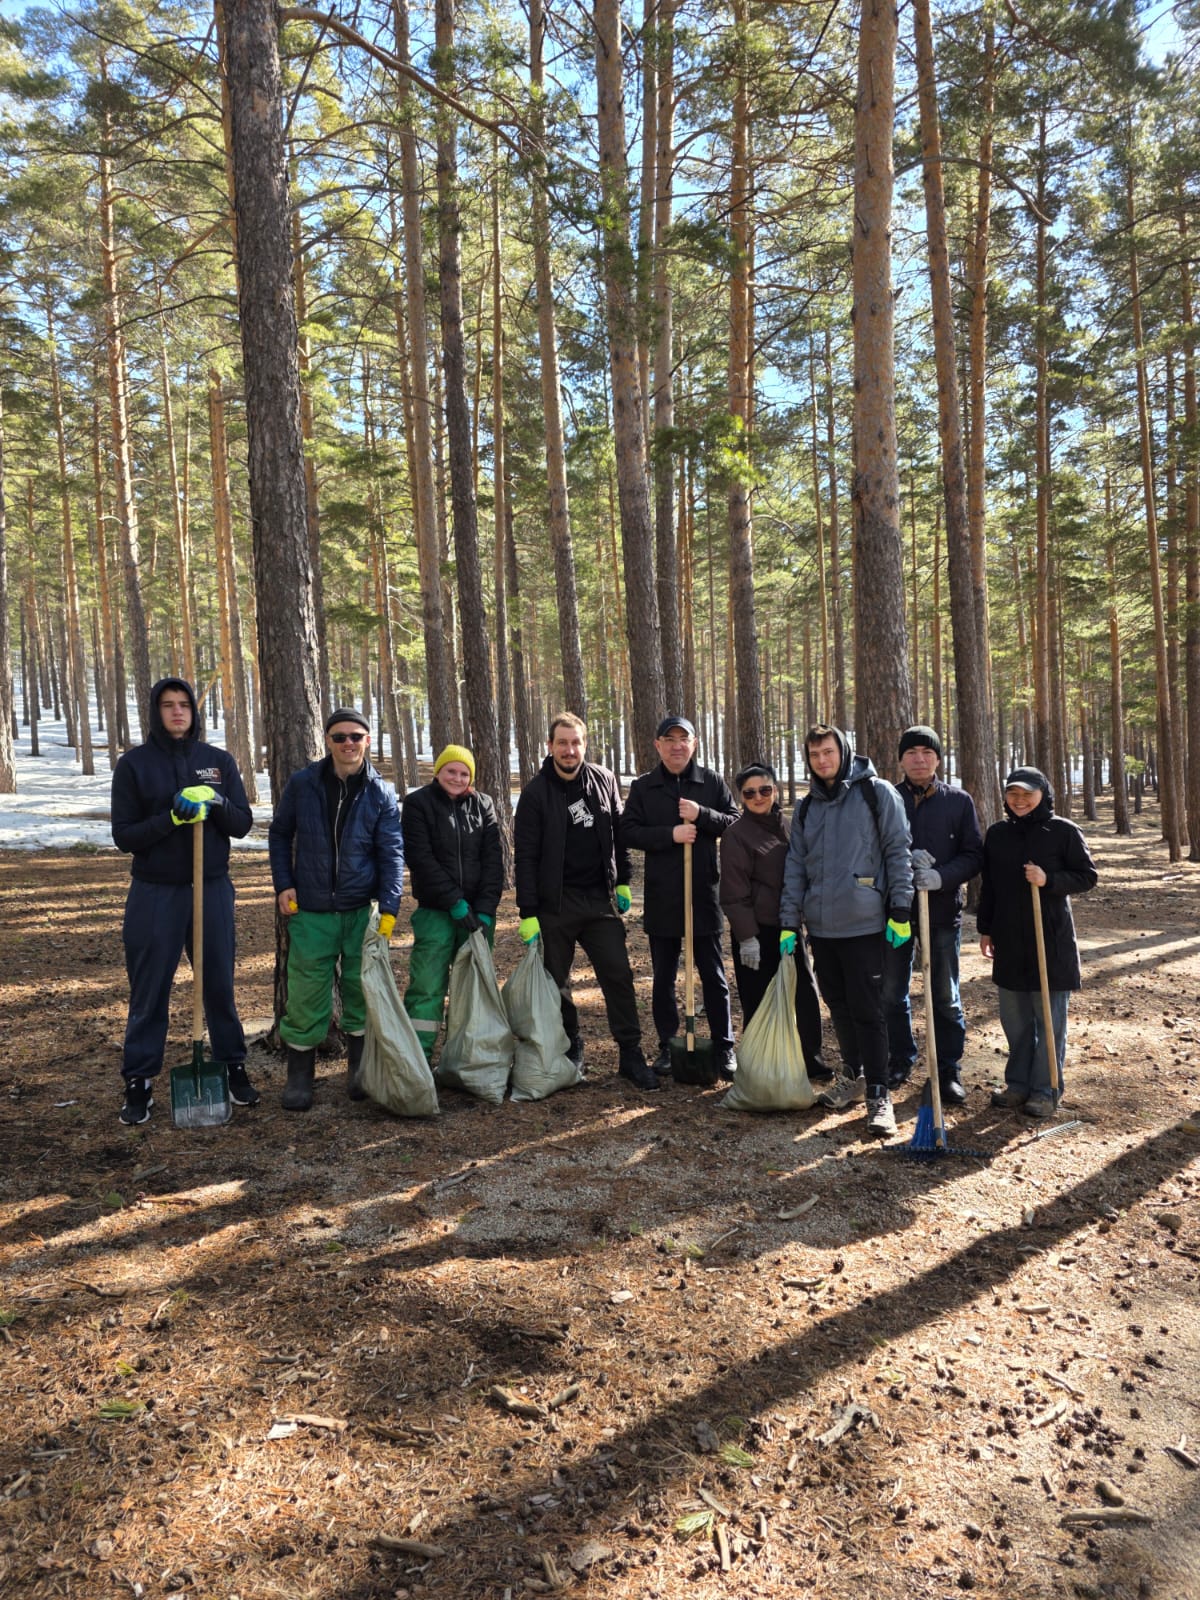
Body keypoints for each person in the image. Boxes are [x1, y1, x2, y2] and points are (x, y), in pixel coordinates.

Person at [110, 676, 257, 1124]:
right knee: (150, 985)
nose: (177, 712)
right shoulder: (134, 765)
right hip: (155, 891)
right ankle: (139, 1078)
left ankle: (232, 1065)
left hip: (210, 887)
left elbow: (242, 824)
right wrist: (171, 819)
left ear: (194, 711)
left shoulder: (217, 761)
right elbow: (125, 835)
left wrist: (217, 802)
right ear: (155, 712)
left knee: (218, 982)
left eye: (184, 705)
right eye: (168, 705)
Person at [779, 724, 913, 1135]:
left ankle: (879, 1095)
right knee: (837, 1004)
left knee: (868, 1011)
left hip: (866, 924)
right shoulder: (807, 807)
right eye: (814, 754)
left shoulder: (876, 793)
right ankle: (853, 1075)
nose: (822, 760)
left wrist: (901, 909)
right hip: (822, 928)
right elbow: (796, 865)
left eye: (828, 752)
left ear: (844, 751)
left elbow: (898, 850)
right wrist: (789, 921)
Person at [268, 708, 404, 1111]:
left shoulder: (381, 792)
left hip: (361, 909)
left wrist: (390, 906)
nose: (348, 743)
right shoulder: (304, 783)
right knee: (305, 993)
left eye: (356, 736)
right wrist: (283, 883)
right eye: (339, 737)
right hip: (310, 910)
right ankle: (299, 1076)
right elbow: (280, 833)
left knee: (361, 990)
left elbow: (391, 852)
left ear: (367, 740)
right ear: (327, 741)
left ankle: (359, 1069)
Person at [513, 712, 657, 1090]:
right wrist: (528, 912)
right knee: (557, 983)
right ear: (550, 746)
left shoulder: (603, 780)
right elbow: (525, 856)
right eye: (562, 743)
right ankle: (570, 1046)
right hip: (554, 904)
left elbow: (619, 835)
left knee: (618, 974)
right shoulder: (534, 794)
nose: (569, 750)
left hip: (598, 900)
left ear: (584, 744)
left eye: (575, 742)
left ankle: (630, 1053)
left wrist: (623, 882)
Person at [977, 766, 1097, 1118]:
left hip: (1050, 940)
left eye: (1027, 794)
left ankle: (1046, 1089)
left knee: (1048, 1020)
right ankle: (1018, 1084)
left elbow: (1087, 876)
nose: (1020, 800)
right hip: (1009, 939)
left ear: (1043, 794)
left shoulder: (1063, 831)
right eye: (1013, 793)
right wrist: (986, 929)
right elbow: (989, 886)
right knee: (1015, 1020)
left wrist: (1049, 879)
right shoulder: (998, 834)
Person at [622, 716, 739, 1077]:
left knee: (714, 975)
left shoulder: (711, 782)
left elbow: (734, 823)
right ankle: (668, 1045)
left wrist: (702, 815)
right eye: (669, 739)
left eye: (683, 739)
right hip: (663, 897)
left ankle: (724, 1047)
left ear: (694, 744)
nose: (676, 745)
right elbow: (628, 831)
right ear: (657, 745)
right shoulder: (645, 787)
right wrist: (670, 834)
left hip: (703, 894)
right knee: (663, 978)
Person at [882, 726, 984, 1103]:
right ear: (901, 759)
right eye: (911, 753)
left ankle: (947, 1068)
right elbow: (871, 850)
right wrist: (902, 864)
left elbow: (973, 855)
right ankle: (900, 1057)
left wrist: (942, 877)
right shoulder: (887, 799)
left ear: (938, 759)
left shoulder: (958, 801)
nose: (919, 759)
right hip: (895, 914)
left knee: (945, 994)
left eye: (927, 752)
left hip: (941, 914)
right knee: (892, 991)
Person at [720, 762, 831, 1082]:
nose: (758, 797)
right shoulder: (736, 835)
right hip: (757, 931)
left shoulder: (790, 826)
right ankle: (760, 1067)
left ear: (776, 791)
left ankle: (810, 1059)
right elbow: (733, 893)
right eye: (750, 793)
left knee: (804, 993)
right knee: (757, 999)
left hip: (789, 926)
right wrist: (747, 938)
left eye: (765, 790)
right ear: (741, 797)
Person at [401, 744, 503, 1060]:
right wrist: (454, 902)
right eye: (451, 771)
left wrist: (485, 910)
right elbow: (420, 858)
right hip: (435, 911)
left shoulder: (483, 804)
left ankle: (464, 1059)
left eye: (464, 773)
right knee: (427, 986)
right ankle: (418, 1060)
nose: (457, 778)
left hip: (477, 916)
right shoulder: (418, 804)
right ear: (438, 771)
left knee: (471, 988)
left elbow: (493, 861)